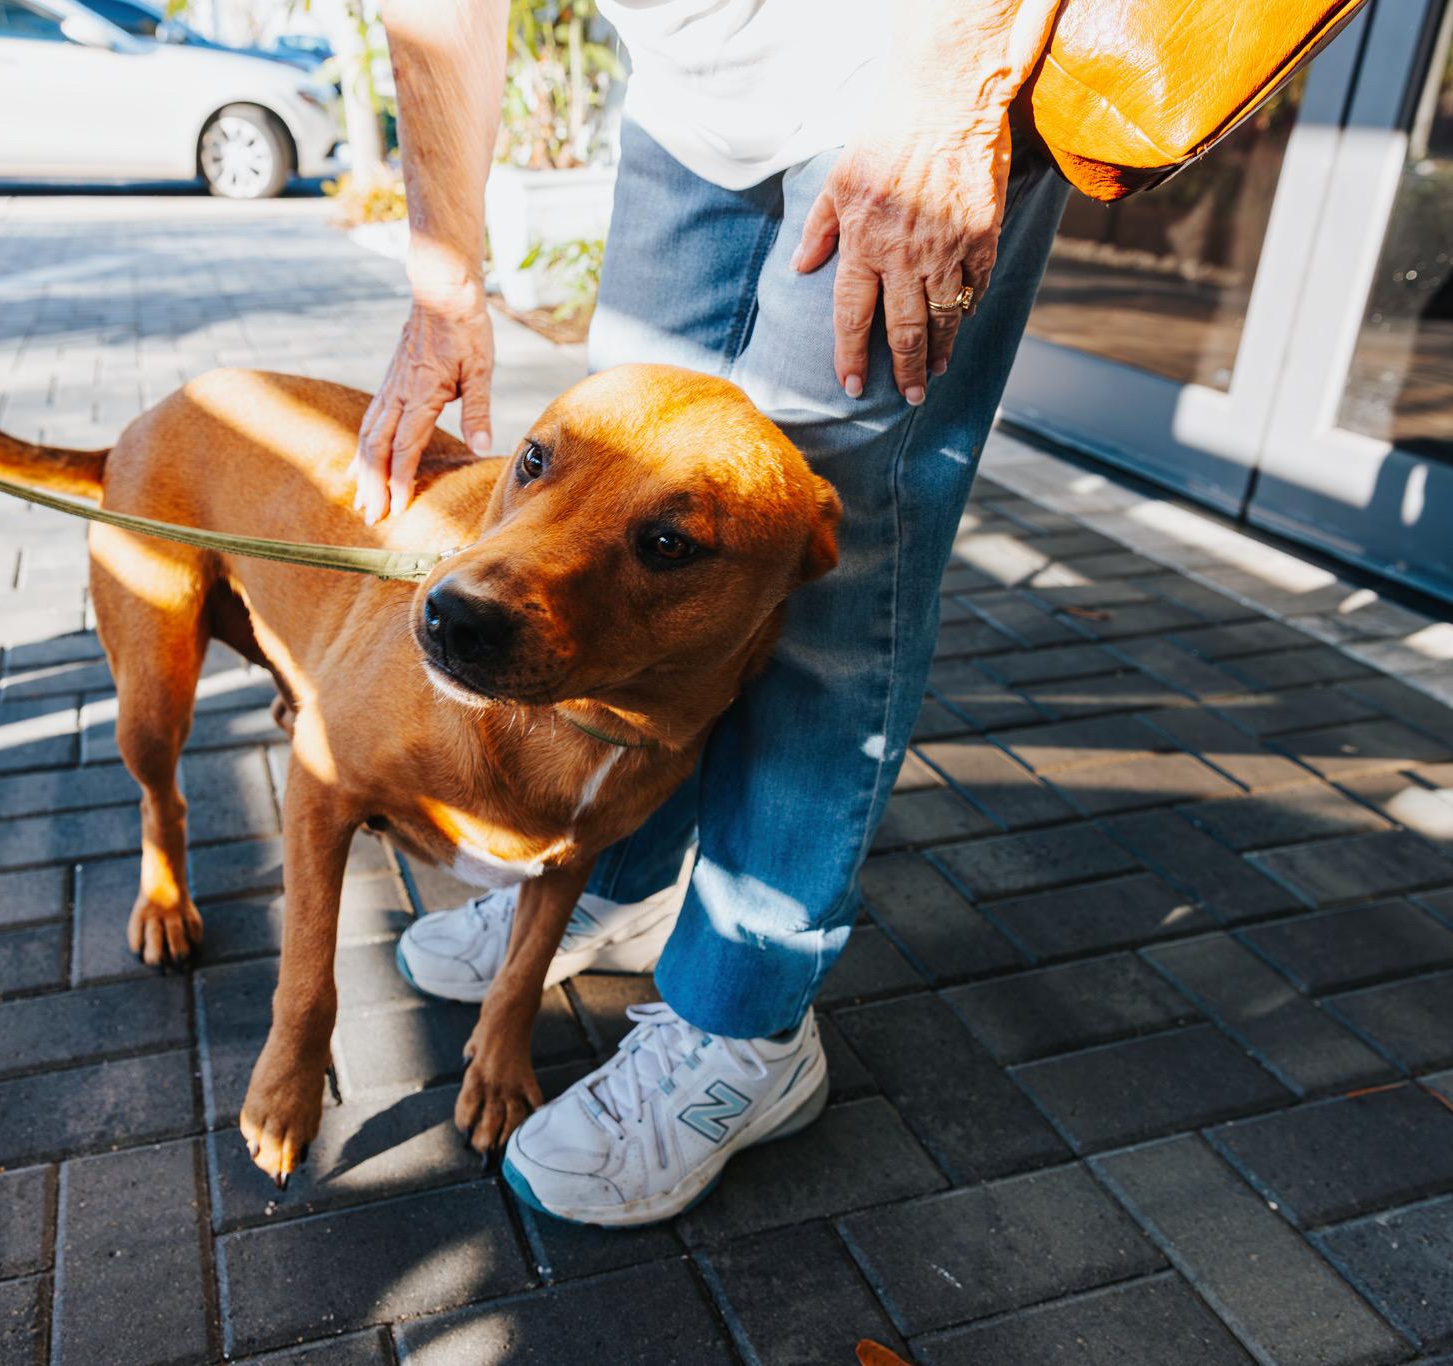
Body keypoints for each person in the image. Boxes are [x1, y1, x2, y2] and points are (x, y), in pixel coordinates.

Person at [355, 0, 1070, 1226]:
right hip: (693, 98)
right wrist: (441, 275)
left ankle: (743, 1025)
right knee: (621, 471)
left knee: (821, 568)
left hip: (910, 59)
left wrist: (953, 76)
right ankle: (623, 875)